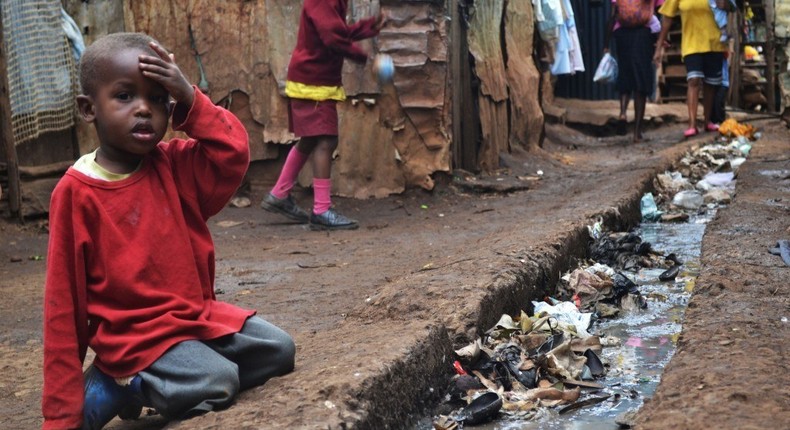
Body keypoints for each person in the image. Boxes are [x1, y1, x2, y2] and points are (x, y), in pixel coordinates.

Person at [42, 33, 296, 430]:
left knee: (279, 351)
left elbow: (232, 153)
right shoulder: (76, 194)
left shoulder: (174, 165)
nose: (144, 110)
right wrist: (61, 416)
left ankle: (169, 377)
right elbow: (63, 308)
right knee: (218, 381)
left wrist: (191, 99)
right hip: (136, 341)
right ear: (88, 109)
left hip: (195, 320)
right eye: (124, 97)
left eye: (158, 99)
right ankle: (121, 382)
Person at [260, 0, 384, 230]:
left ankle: (279, 194)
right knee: (326, 139)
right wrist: (365, 58)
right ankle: (321, 210)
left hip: (312, 78)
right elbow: (332, 38)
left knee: (311, 138)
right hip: (313, 81)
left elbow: (335, 30)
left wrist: (366, 28)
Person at [653, 0, 732, 138]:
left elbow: (732, 7)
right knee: (693, 80)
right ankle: (692, 124)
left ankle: (707, 121)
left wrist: (726, 5)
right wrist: (659, 46)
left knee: (710, 84)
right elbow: (667, 17)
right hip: (691, 44)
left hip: (714, 43)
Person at [604, 0, 663, 143]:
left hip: (621, 34)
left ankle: (623, 113)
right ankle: (637, 133)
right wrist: (659, 40)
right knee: (641, 81)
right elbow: (661, 11)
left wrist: (606, 44)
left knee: (625, 73)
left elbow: (613, 15)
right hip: (643, 33)